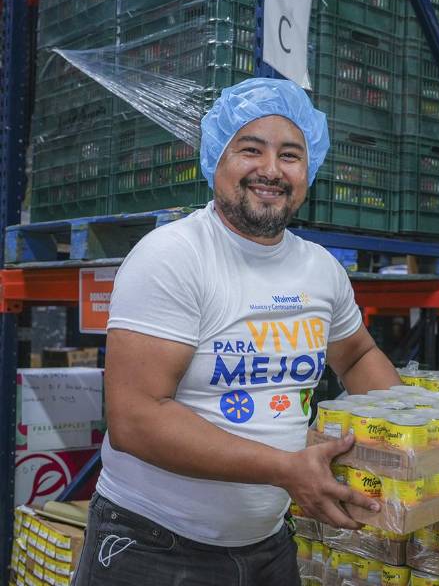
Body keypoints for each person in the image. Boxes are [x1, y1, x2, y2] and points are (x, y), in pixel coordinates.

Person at [72, 78, 402, 585]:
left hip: (268, 546)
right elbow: (136, 419)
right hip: (154, 546)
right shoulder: (174, 256)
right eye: (251, 150)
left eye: (290, 155)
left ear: (308, 169)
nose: (271, 170)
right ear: (216, 161)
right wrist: (285, 469)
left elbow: (357, 356)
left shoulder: (320, 269)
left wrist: (415, 435)